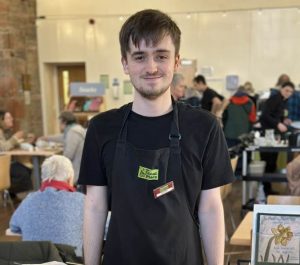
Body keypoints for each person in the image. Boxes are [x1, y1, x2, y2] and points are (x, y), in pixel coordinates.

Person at [78, 9, 234, 265]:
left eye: (161, 56)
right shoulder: (101, 128)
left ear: (176, 61)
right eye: (140, 56)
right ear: (125, 63)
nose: (151, 67)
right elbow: (94, 207)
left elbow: (210, 208)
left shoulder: (204, 127)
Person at [9, 155, 85, 257]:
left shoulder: (29, 200)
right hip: (71, 262)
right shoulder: (82, 201)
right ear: (70, 178)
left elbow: (13, 226)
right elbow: (106, 227)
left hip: (34, 262)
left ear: (43, 179)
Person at [260, 81, 295, 195]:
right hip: (268, 135)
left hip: (275, 135)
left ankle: (268, 190)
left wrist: (284, 120)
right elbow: (264, 115)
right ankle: (265, 190)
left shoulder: (283, 101)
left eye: (291, 92)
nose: (288, 93)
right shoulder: (274, 99)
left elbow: (277, 115)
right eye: (286, 90)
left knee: (272, 163)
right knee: (268, 163)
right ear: (281, 89)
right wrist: (277, 124)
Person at [39, 111, 86, 184]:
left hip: (76, 171)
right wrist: (46, 138)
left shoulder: (73, 132)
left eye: (59, 122)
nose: (59, 125)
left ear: (64, 121)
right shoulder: (75, 129)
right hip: (81, 167)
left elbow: (68, 155)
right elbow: (62, 138)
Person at [0, 110, 33, 197]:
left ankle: (14, 195)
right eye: (8, 118)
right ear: (1, 120)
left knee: (26, 168)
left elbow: (12, 144)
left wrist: (27, 141)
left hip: (6, 162)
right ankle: (19, 196)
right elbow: (3, 148)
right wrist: (15, 137)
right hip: (2, 165)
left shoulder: (7, 132)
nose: (12, 119)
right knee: (22, 172)